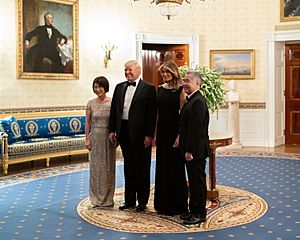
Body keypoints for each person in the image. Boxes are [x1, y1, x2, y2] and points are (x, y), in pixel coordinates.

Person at [109, 60, 157, 212]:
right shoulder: (119, 87)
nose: (127, 72)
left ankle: (142, 201)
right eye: (125, 70)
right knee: (128, 167)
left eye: (130, 70)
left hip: (141, 134)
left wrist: (149, 135)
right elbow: (114, 111)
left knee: (142, 168)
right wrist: (112, 130)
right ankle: (129, 200)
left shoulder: (149, 88)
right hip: (123, 131)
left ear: (139, 71)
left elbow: (152, 113)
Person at [154, 61, 188, 216]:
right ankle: (163, 205)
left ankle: (178, 205)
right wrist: (154, 134)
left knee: (175, 169)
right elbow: (158, 114)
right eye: (163, 73)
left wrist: (180, 135)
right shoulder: (160, 89)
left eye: (167, 72)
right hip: (162, 134)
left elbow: (183, 115)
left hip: (175, 134)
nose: (165, 75)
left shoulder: (181, 90)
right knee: (162, 167)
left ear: (174, 73)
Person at [178, 70, 210, 225]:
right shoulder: (191, 99)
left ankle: (199, 214)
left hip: (195, 151)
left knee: (197, 183)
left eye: (188, 80)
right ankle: (193, 211)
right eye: (184, 80)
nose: (184, 83)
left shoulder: (197, 101)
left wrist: (190, 150)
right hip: (191, 150)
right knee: (193, 181)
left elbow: (196, 130)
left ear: (197, 83)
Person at [85, 76, 116, 208]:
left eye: (100, 87)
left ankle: (108, 198)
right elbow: (87, 123)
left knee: (108, 168)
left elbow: (116, 121)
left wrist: (116, 136)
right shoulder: (90, 103)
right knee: (96, 168)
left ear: (105, 87)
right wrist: (87, 138)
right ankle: (95, 198)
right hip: (95, 138)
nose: (97, 89)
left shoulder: (112, 102)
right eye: (95, 87)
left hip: (108, 138)